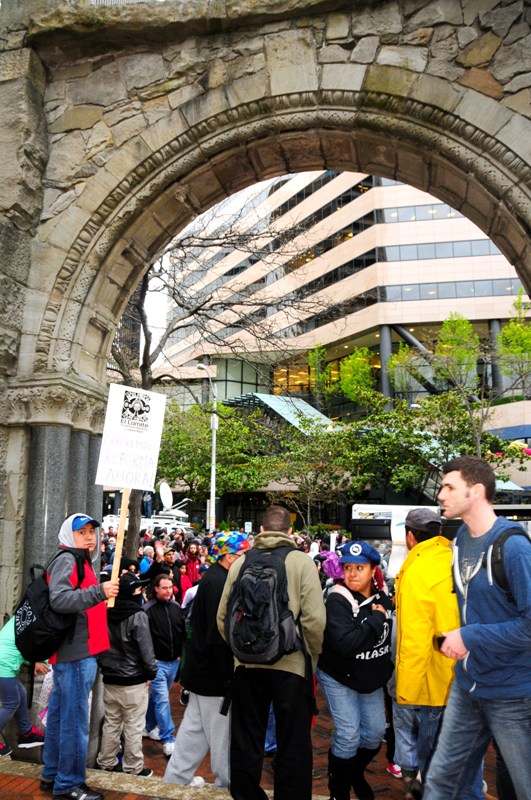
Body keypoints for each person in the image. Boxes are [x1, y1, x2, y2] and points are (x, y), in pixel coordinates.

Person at [423, 456, 531, 800]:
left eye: (449, 487)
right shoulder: (460, 542)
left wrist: (469, 636)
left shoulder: (513, 546)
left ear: (477, 491)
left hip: (512, 693)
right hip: (467, 686)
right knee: (441, 784)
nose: (441, 494)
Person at [217, 505, 326, 800]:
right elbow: (315, 621)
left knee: (246, 739)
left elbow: (223, 616)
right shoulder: (302, 562)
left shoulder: (241, 563)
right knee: (293, 741)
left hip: (246, 667)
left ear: (262, 531)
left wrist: (241, 651)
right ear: (289, 532)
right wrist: (309, 659)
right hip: (291, 666)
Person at [394, 507, 484, 800]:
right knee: (466, 766)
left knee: (434, 762)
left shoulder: (417, 569)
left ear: (410, 536)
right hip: (468, 676)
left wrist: (405, 691)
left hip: (436, 682)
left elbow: (415, 638)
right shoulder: (457, 558)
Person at [40, 513, 119, 800]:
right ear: (67, 535)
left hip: (76, 652)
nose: (89, 536)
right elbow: (59, 599)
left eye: (91, 531)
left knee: (61, 717)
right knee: (74, 722)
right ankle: (69, 784)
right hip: (76, 653)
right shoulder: (68, 559)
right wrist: (99, 591)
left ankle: (52, 775)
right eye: (81, 531)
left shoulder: (79, 559)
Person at [164, 531, 251, 790]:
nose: (246, 560)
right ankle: (226, 787)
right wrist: (229, 675)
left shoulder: (215, 578)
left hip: (202, 674)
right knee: (221, 737)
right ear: (228, 557)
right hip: (215, 678)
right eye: (243, 555)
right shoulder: (220, 582)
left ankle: (175, 781)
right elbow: (218, 634)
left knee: (194, 734)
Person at [316, 540, 393, 800]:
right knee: (348, 735)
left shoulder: (383, 595)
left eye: (360, 568)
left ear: (373, 570)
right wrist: (376, 619)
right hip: (339, 674)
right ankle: (338, 791)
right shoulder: (338, 598)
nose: (352, 573)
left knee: (374, 733)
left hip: (368, 678)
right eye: (348, 567)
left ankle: (353, 773)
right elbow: (345, 644)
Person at [96, 572, 158, 777]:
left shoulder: (105, 612)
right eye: (139, 589)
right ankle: (133, 767)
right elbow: (146, 649)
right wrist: (151, 672)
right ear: (133, 591)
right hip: (133, 680)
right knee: (133, 725)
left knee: (112, 722)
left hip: (110, 678)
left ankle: (106, 762)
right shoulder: (137, 615)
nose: (141, 592)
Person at [143, 573, 185, 756]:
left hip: (173, 662)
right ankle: (168, 738)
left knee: (158, 698)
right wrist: (149, 661)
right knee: (162, 700)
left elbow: (181, 632)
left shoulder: (176, 607)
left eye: (170, 587)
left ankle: (149, 725)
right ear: (156, 589)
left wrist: (180, 655)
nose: (168, 591)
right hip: (157, 663)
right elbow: (143, 638)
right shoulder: (147, 610)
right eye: (164, 588)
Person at [0, 616, 47, 758]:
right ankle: (26, 733)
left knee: (20, 692)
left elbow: (21, 644)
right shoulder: (34, 619)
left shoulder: (25, 615)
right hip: (4, 664)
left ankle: (27, 733)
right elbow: (27, 645)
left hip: (5, 662)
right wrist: (36, 662)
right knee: (11, 702)